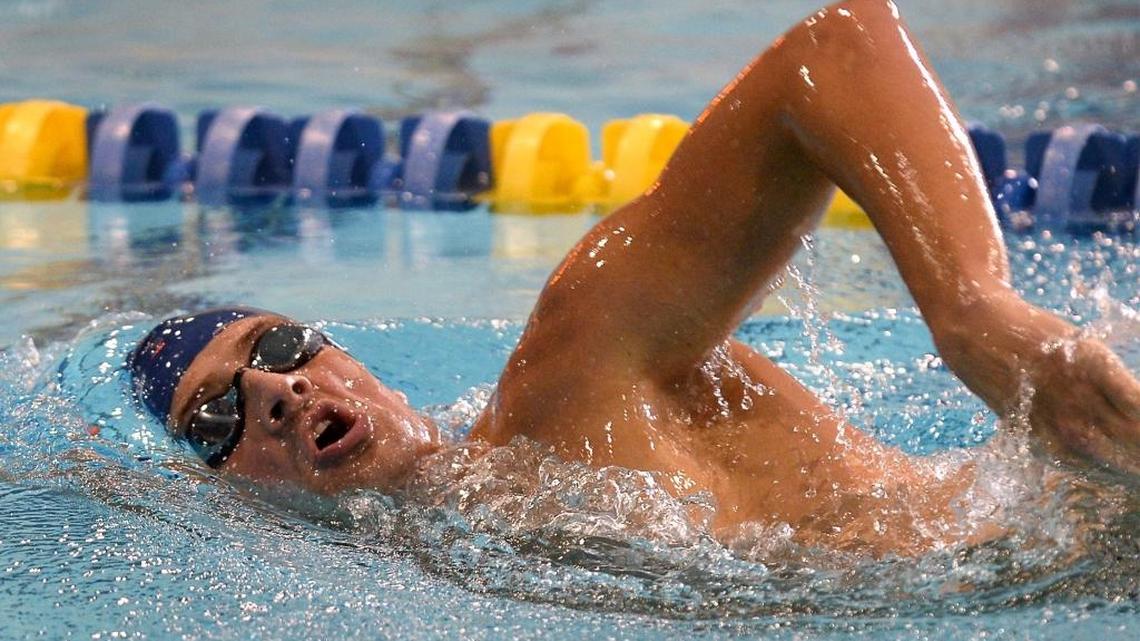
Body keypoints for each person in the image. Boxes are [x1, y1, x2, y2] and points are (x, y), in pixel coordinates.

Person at [129, 0, 1140, 556]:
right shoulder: (480, 530)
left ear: (344, 355)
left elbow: (835, 49)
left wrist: (973, 309)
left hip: (1098, 503)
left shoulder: (568, 368)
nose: (273, 387)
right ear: (225, 497)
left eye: (275, 346)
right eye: (214, 418)